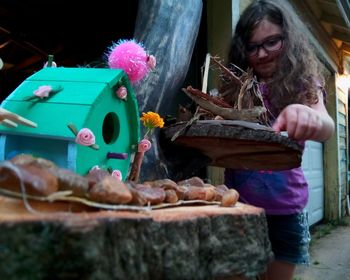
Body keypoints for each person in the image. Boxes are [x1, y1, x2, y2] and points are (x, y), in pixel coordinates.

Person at [221, 1, 335, 279]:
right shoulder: (235, 86)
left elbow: (327, 125)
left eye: (272, 42)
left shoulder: (303, 83)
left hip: (285, 210)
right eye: (252, 46)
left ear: (288, 39)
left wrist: (307, 115)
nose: (262, 53)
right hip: (239, 208)